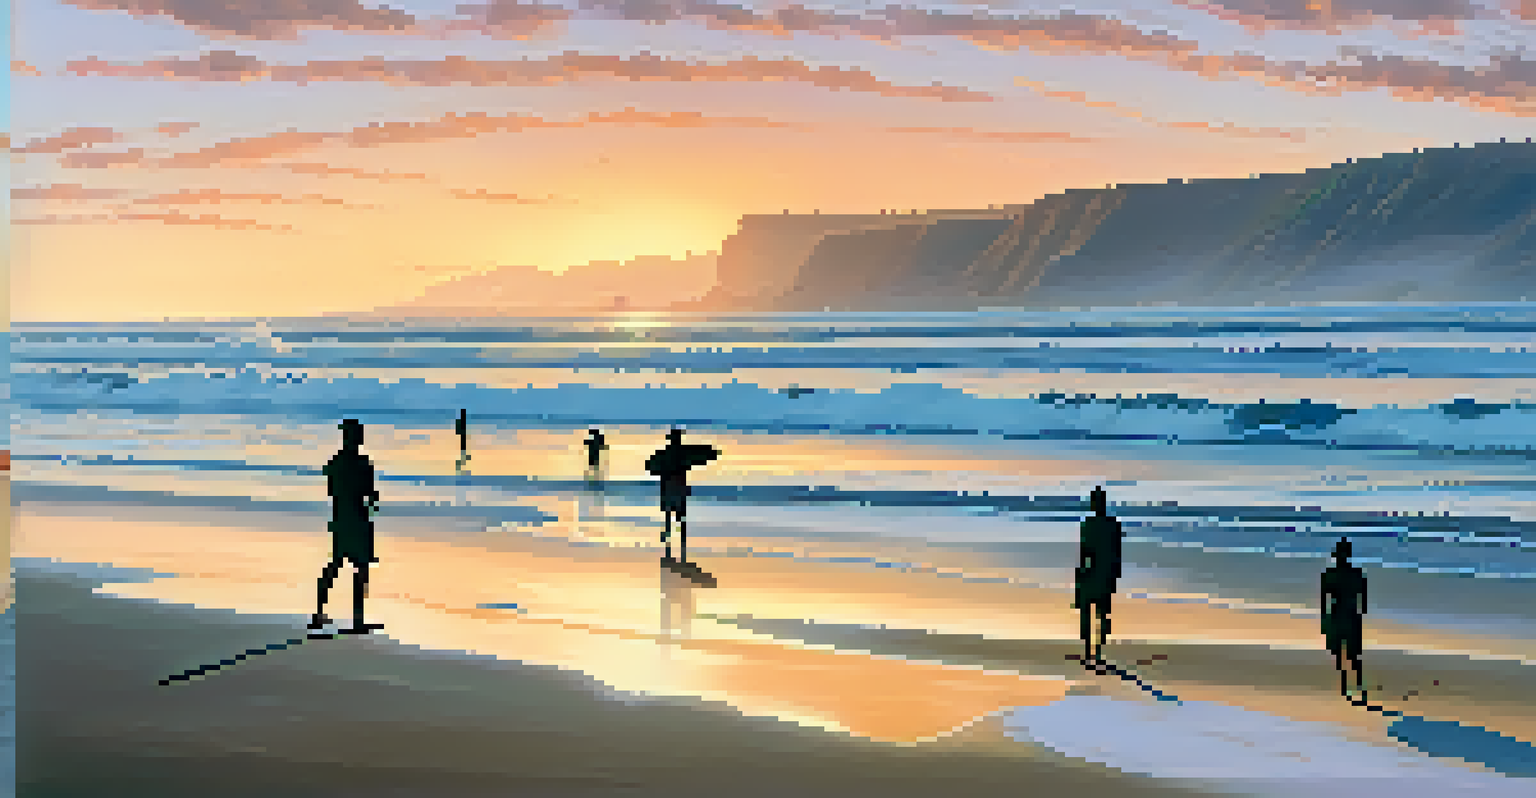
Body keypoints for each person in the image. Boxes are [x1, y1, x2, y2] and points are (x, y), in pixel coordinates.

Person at [311, 419, 382, 633]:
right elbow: (370, 494)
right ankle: (357, 619)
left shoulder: (335, 462)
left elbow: (333, 491)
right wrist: (371, 500)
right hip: (358, 519)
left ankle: (319, 613)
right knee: (360, 569)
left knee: (335, 565)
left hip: (340, 518)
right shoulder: (362, 463)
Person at [645, 428, 718, 563]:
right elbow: (708, 454)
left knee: (668, 515)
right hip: (679, 487)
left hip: (667, 488)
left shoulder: (664, 453)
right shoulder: (683, 453)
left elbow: (649, 467)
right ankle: (681, 539)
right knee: (680, 516)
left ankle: (668, 538)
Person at [1073, 486, 1123, 663]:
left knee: (1088, 613)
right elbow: (1117, 553)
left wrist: (1080, 575)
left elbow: (1084, 551)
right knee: (1101, 615)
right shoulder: (1113, 524)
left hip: (1092, 571)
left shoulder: (1089, 524)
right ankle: (1097, 652)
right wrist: (1115, 576)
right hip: (1104, 573)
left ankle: (1089, 652)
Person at [1321, 538, 1368, 700]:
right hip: (1351, 614)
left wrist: (1325, 620)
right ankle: (1358, 686)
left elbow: (1324, 600)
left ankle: (1345, 686)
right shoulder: (1356, 573)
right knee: (1353, 654)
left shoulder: (1329, 574)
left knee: (1341, 653)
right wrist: (1360, 613)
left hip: (1337, 613)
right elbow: (1364, 596)